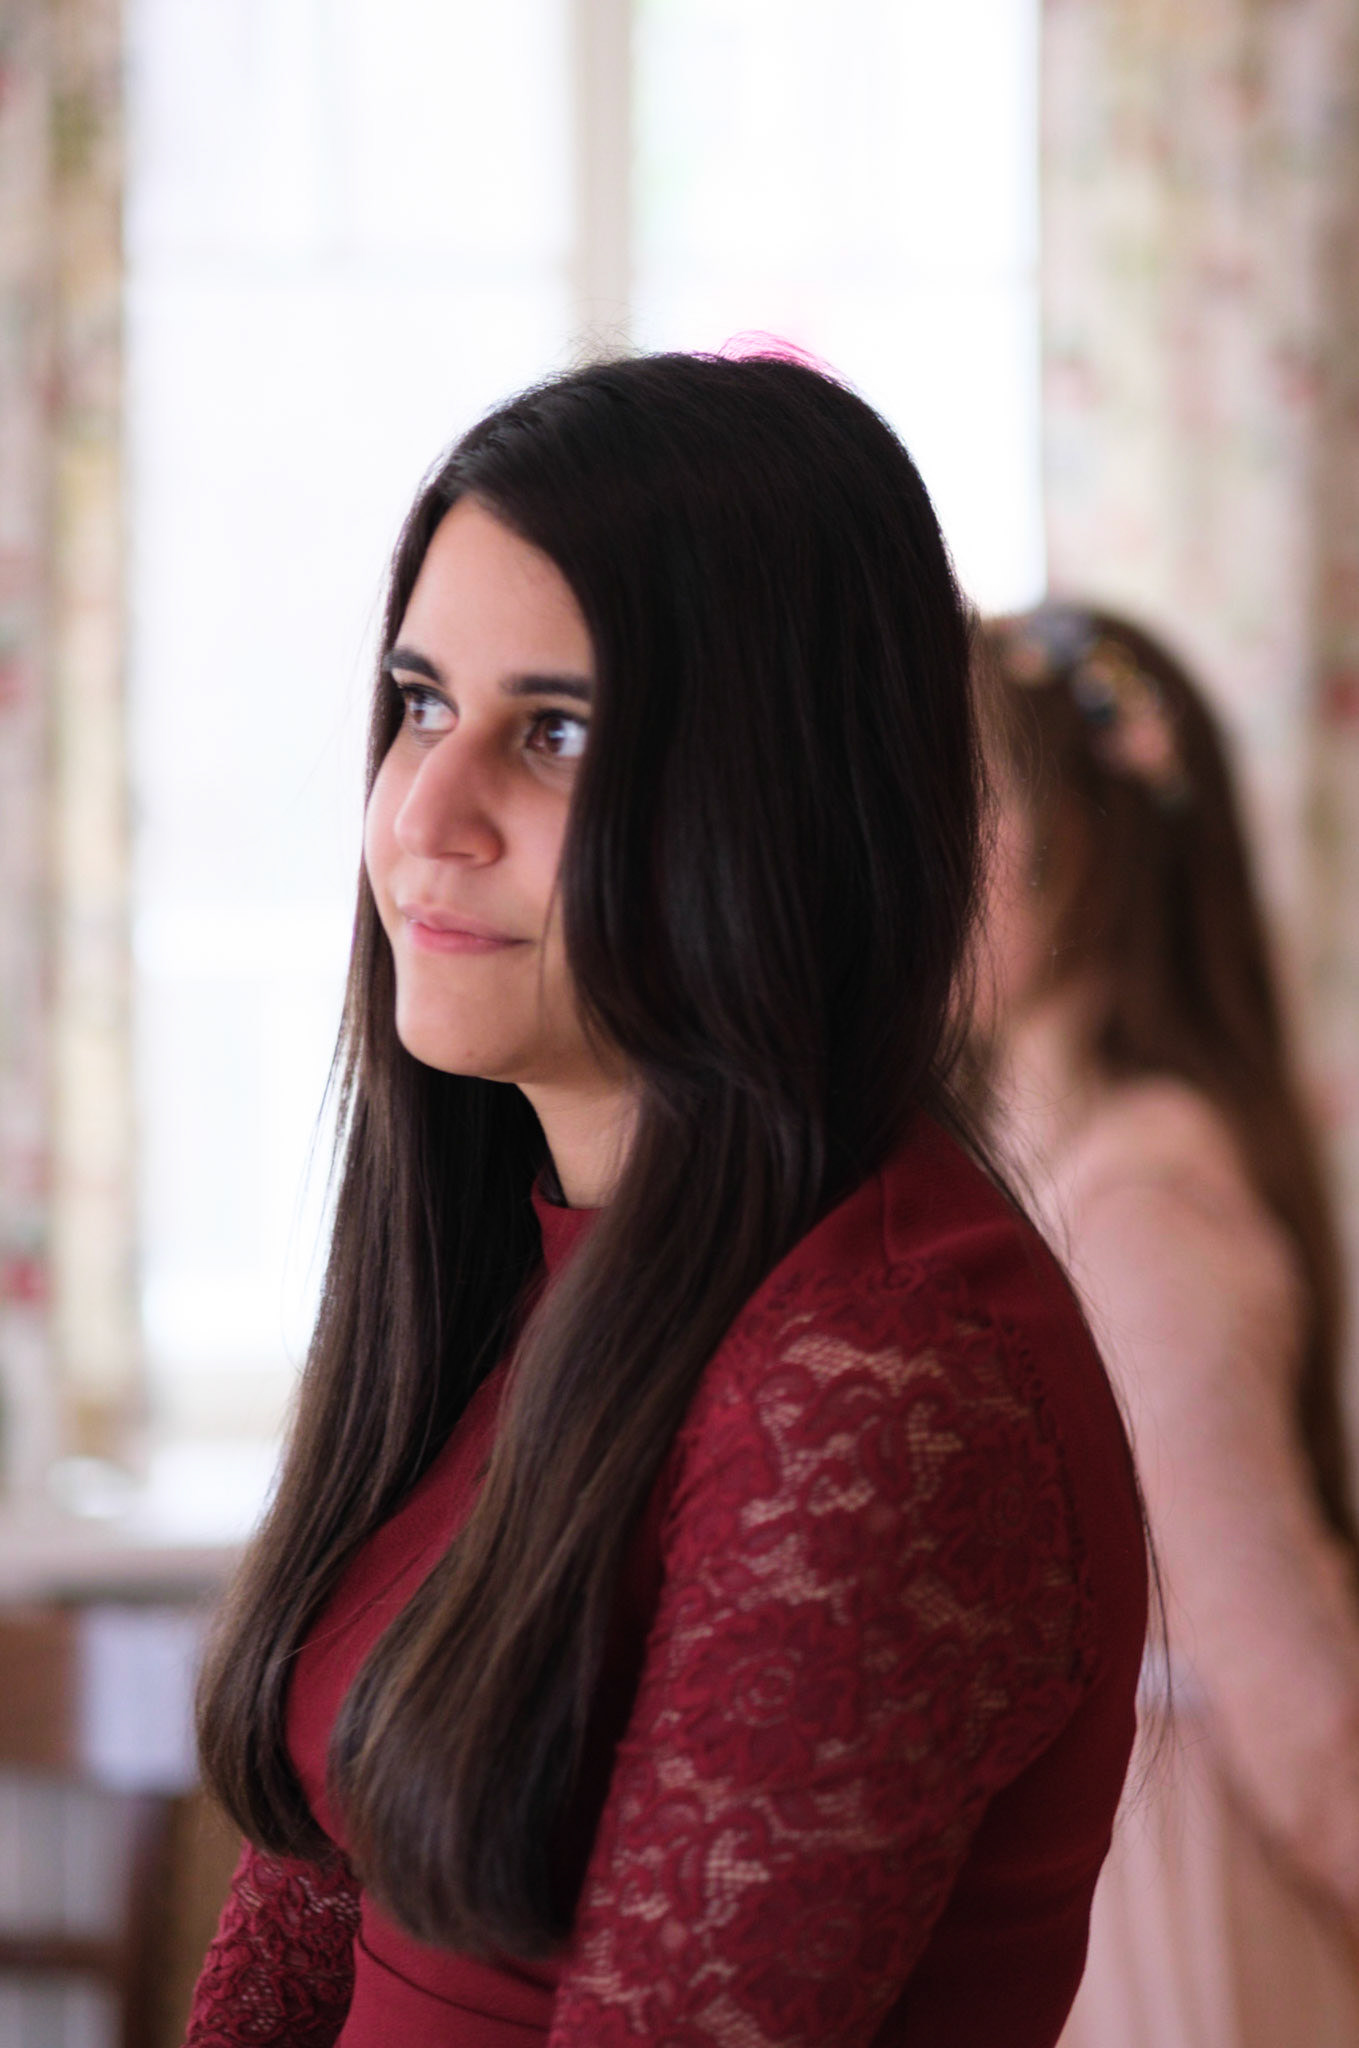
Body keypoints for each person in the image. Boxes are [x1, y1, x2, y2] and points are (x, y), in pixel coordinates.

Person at [184, 356, 1146, 2048]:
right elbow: (301, 1943)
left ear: (783, 803)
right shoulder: (514, 1265)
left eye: (553, 734)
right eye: (421, 704)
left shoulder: (891, 1375)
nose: (423, 816)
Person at [978, 602, 1359, 2048]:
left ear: (1081, 846)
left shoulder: (1139, 1205)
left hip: (1181, 1920)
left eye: (962, 798)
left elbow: (1282, 1672)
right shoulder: (1033, 1169)